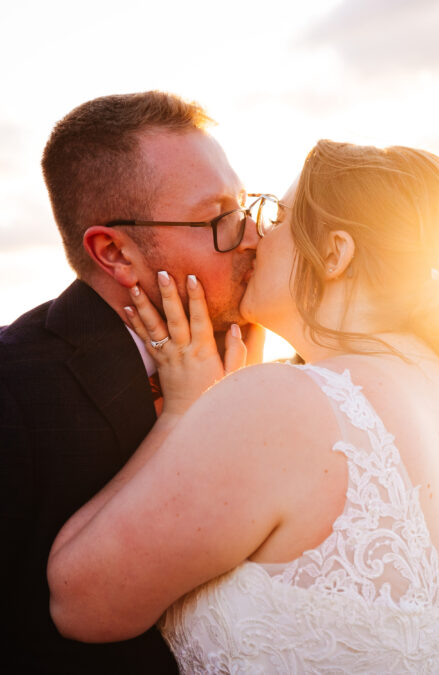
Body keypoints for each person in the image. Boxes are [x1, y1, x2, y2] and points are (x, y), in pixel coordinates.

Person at [47, 141, 439, 673]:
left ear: (335, 255)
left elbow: (79, 602)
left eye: (278, 218)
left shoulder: (282, 403)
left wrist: (184, 412)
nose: (253, 236)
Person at [0, 91, 265, 673]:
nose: (250, 236)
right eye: (218, 216)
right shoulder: (12, 397)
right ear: (115, 252)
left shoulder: (253, 365)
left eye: (245, 207)